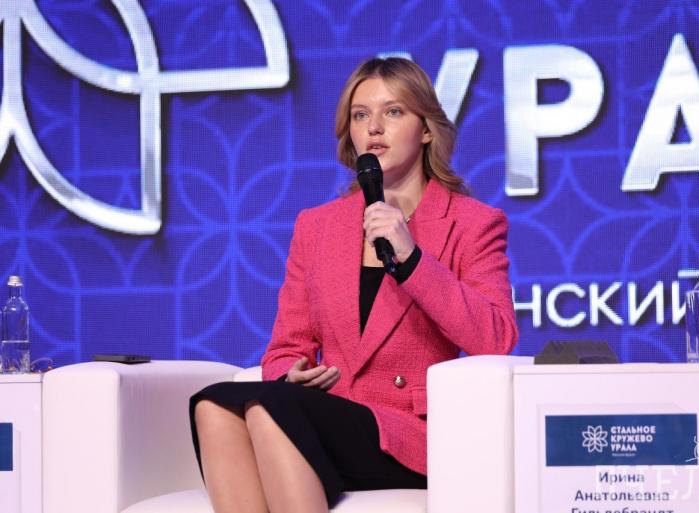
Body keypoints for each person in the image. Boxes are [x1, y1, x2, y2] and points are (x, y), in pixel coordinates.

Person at [190, 57, 518, 513]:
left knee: (270, 411)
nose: (374, 128)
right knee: (213, 405)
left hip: (410, 433)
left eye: (393, 112)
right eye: (361, 115)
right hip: (328, 417)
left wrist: (412, 258)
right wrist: (291, 374)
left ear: (427, 129)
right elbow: (286, 346)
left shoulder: (472, 223)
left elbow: (496, 337)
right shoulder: (317, 227)